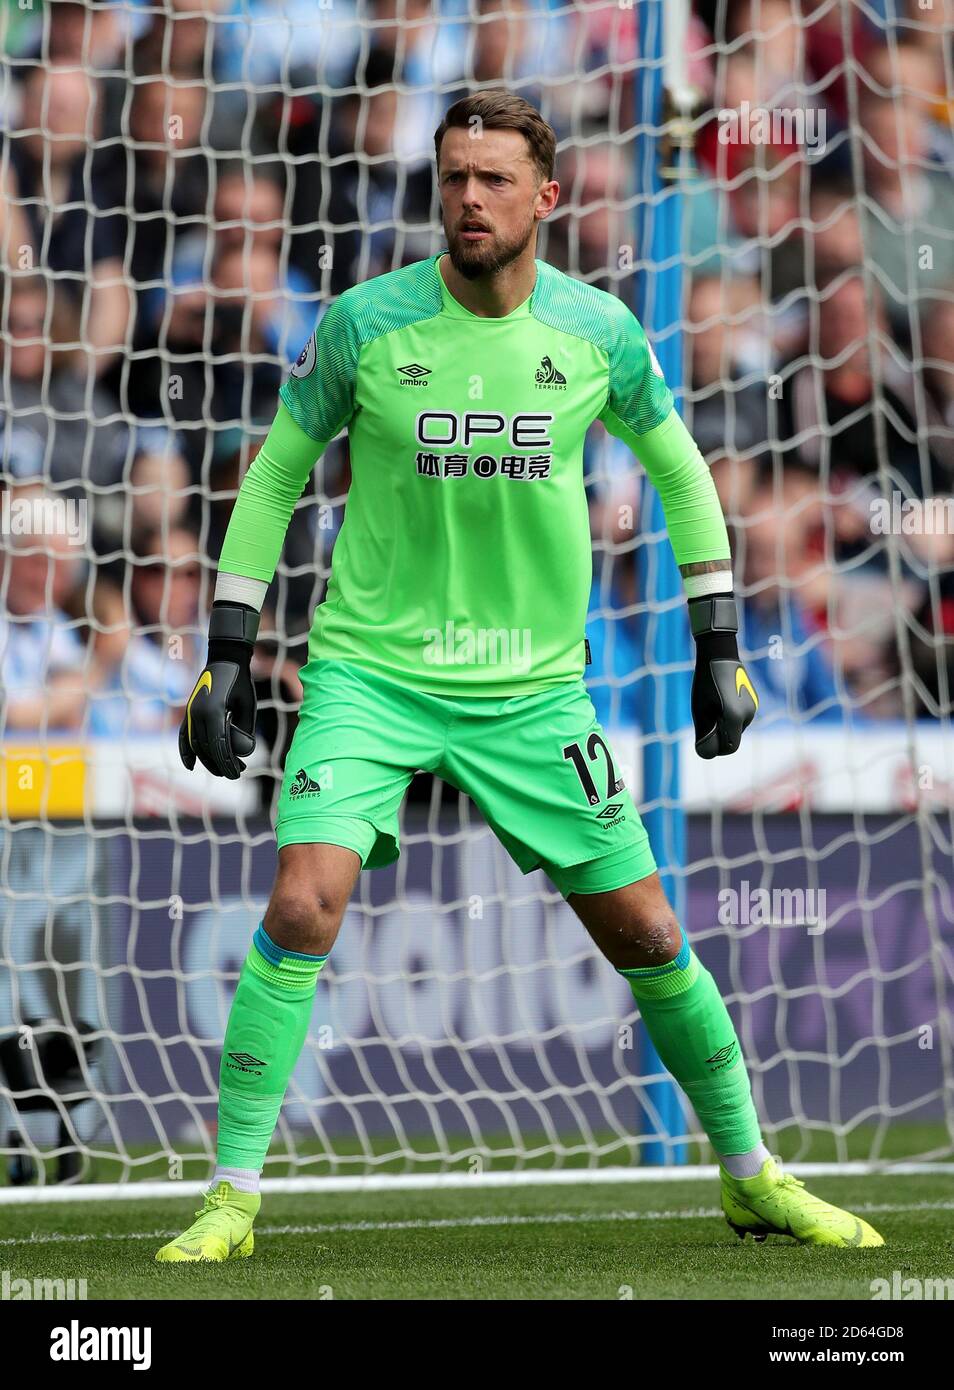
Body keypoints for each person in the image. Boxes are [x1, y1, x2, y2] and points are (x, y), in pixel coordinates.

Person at [158, 91, 881, 1262]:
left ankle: (752, 1175)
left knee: (649, 933)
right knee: (301, 901)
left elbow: (684, 474)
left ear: (546, 198)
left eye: (494, 180)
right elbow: (275, 473)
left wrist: (718, 643)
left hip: (536, 692)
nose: (469, 199)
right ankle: (230, 1198)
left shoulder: (597, 331)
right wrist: (228, 654)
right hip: (370, 675)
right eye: (453, 178)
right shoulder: (363, 324)